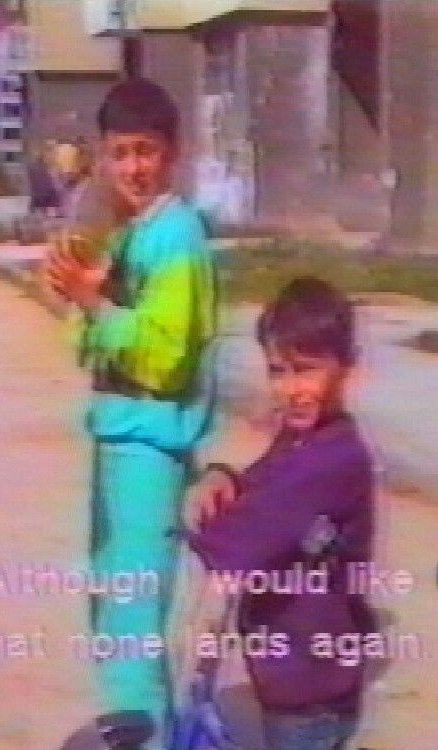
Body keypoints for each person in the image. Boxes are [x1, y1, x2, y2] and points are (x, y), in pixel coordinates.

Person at [47, 78, 216, 750]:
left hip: (151, 448)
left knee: (136, 620)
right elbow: (85, 344)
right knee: (113, 611)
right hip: (116, 441)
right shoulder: (124, 234)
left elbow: (166, 356)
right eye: (119, 153)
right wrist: (78, 294)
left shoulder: (177, 233)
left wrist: (95, 305)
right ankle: (132, 731)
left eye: (146, 151)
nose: (133, 168)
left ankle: (148, 738)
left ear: (172, 153)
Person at [185, 276, 375, 750]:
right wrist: (224, 476)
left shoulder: (334, 459)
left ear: (347, 367)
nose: (291, 389)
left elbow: (242, 544)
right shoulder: (301, 440)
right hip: (292, 675)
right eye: (278, 371)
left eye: (306, 370)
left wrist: (186, 520)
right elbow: (262, 482)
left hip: (312, 691)